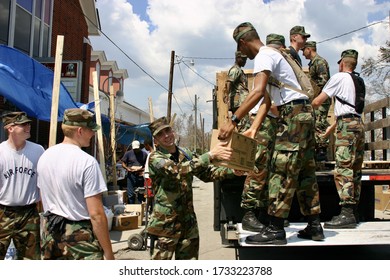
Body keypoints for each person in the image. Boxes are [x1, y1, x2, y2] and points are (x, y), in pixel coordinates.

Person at [219, 22, 323, 244]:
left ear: (242, 43)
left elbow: (257, 92)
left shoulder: (264, 56)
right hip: (302, 114)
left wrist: (234, 121)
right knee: (305, 170)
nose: (242, 53)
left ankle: (275, 229)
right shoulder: (275, 55)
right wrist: (254, 127)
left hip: (293, 115)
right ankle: (314, 226)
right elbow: (267, 99)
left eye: (241, 48)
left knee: (280, 168)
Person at [146, 116, 235, 260]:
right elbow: (177, 170)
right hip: (165, 226)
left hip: (188, 225)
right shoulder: (155, 158)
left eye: (167, 130)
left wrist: (232, 171)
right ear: (155, 140)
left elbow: (206, 174)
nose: (166, 136)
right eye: (160, 134)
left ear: (173, 131)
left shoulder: (186, 154)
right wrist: (210, 155)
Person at [37, 108, 114, 260]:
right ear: (80, 131)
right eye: (91, 130)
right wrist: (109, 253)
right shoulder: (86, 162)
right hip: (79, 239)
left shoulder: (45, 156)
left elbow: (42, 198)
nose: (93, 134)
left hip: (51, 232)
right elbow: (96, 214)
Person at [312, 49, 364, 229]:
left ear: (342, 63)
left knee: (343, 168)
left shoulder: (338, 78)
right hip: (358, 124)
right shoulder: (358, 81)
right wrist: (329, 131)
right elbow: (349, 109)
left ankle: (347, 213)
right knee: (355, 169)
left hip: (346, 127)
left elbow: (318, 101)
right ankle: (354, 210)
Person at [240, 33, 285, 232]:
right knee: (257, 169)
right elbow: (269, 103)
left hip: (270, 123)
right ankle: (249, 213)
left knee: (270, 170)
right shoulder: (265, 63)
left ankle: (265, 215)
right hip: (262, 122)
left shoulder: (274, 67)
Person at [0, 112, 44, 260]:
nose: (28, 127)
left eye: (28, 124)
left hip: (29, 213)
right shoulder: (1, 152)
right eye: (23, 124)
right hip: (3, 212)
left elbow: (44, 182)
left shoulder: (38, 151)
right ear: (10, 128)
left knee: (31, 259)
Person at [302, 41, 331, 161]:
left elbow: (323, 81)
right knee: (316, 123)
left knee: (320, 123)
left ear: (309, 49)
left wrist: (313, 94)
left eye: (303, 50)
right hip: (316, 98)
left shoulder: (319, 62)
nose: (303, 54)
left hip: (321, 98)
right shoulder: (314, 63)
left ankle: (322, 151)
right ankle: (318, 149)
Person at [224, 50, 250, 132]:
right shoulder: (235, 70)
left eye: (246, 59)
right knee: (244, 127)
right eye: (243, 59)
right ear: (238, 58)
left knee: (244, 125)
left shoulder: (239, 70)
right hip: (239, 103)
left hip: (241, 102)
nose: (245, 61)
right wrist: (226, 96)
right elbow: (229, 82)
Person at [121, 140, 148, 204]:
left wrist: (143, 169)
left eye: (137, 149)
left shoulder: (144, 154)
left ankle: (140, 206)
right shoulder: (128, 153)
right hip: (131, 175)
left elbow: (147, 165)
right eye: (134, 149)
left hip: (140, 175)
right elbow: (123, 163)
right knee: (131, 194)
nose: (136, 150)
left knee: (141, 192)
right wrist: (127, 168)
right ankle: (131, 207)